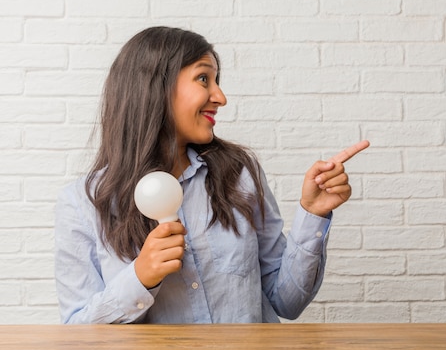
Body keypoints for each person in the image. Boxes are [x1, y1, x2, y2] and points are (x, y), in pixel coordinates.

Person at [54, 26, 369, 324]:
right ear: (155, 87)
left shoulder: (240, 173)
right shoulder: (82, 203)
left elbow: (286, 301)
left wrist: (313, 213)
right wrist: (139, 278)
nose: (220, 97)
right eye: (203, 79)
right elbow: (78, 331)